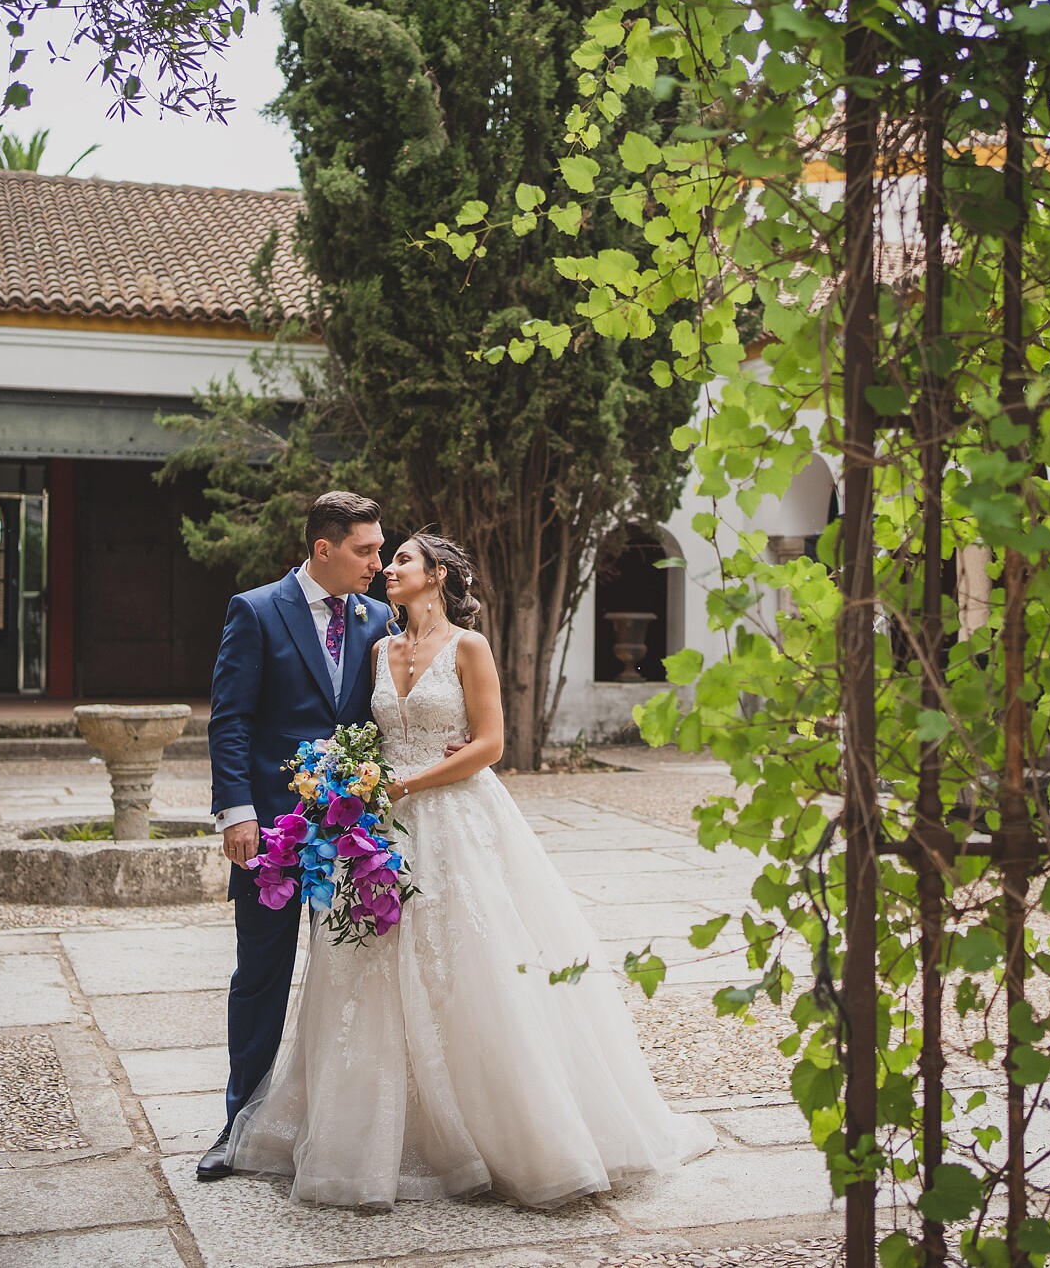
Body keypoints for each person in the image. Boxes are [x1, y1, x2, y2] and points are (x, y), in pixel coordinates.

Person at [224, 531, 713, 1207]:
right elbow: (364, 733)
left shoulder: (470, 647)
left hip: (455, 819)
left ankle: (507, 1132)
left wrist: (410, 783)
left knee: (469, 968)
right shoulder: (376, 648)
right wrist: (351, 785)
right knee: (366, 971)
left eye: (401, 559)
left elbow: (490, 744)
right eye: (385, 557)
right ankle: (372, 1133)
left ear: (439, 575)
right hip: (379, 830)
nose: (387, 568)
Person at [198, 492, 395, 1182]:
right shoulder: (255, 610)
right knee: (261, 977)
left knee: (352, 981)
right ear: (323, 549)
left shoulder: (379, 618)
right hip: (274, 837)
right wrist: (237, 811)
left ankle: (344, 1127)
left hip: (355, 835)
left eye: (379, 548)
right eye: (366, 549)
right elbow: (231, 720)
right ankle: (238, 1127)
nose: (379, 562)